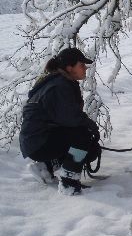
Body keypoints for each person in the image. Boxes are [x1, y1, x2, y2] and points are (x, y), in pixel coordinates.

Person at [19, 48, 101, 195]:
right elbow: (71, 118)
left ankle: (47, 167)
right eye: (81, 65)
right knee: (82, 136)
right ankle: (68, 183)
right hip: (38, 142)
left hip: (34, 141)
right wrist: (90, 125)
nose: (85, 69)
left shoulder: (58, 81)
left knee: (86, 143)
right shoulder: (60, 86)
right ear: (69, 68)